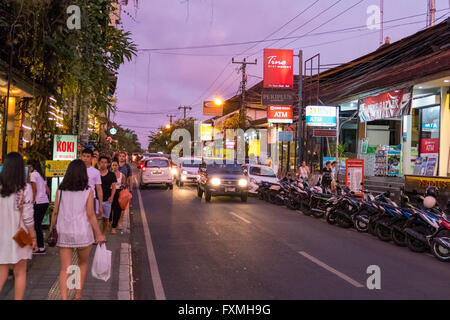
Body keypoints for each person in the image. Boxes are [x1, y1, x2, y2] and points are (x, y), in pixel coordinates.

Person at [49, 159, 105, 300]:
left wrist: (51, 229)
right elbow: (91, 215)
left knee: (65, 268)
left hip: (64, 232)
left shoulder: (60, 191)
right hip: (82, 233)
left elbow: (55, 212)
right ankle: (78, 295)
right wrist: (98, 234)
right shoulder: (88, 191)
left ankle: (64, 297)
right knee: (82, 264)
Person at [0, 152, 38, 300]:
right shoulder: (25, 189)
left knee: (2, 271)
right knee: (20, 272)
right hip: (19, 236)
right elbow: (28, 217)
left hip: (1, 235)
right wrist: (33, 236)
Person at [29, 160, 50, 255]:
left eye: (29, 166)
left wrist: (32, 201)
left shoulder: (33, 175)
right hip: (45, 202)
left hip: (38, 202)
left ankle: (39, 247)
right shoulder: (42, 175)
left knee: (34, 225)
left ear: (32, 166)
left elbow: (34, 190)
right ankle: (39, 246)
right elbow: (47, 190)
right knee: (38, 225)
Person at [81, 148, 103, 218]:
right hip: (78, 198)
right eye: (84, 156)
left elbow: (99, 189)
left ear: (91, 158)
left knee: (90, 220)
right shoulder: (76, 170)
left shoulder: (96, 172)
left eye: (87, 156)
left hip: (91, 199)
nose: (85, 158)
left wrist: (100, 205)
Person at [98, 156, 117, 234]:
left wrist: (112, 197)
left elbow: (114, 187)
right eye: (102, 162)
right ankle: (97, 235)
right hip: (96, 199)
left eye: (105, 162)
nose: (103, 164)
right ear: (99, 163)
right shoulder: (96, 173)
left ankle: (103, 234)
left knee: (105, 218)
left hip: (107, 199)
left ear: (108, 164)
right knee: (97, 218)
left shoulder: (111, 174)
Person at [117, 151, 132, 230]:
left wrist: (131, 189)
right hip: (115, 188)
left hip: (124, 188)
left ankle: (120, 222)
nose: (122, 157)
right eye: (120, 156)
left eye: (123, 156)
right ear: (118, 157)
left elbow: (130, 178)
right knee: (114, 206)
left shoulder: (127, 167)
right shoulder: (114, 165)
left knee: (122, 207)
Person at [110, 158, 125, 234]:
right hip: (109, 193)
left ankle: (114, 226)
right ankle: (109, 223)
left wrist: (122, 186)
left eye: (116, 165)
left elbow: (123, 184)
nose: (114, 167)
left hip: (118, 193)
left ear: (118, 166)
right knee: (109, 210)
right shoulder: (109, 174)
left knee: (117, 210)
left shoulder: (122, 175)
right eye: (113, 165)